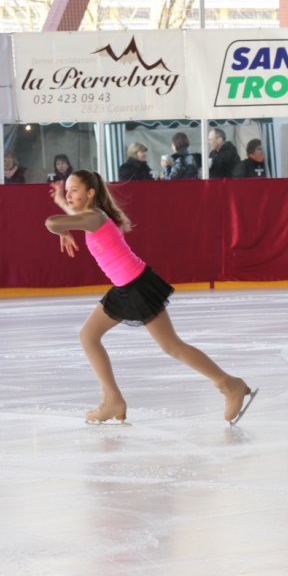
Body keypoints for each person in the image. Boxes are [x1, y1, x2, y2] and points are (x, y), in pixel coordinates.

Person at [44, 170, 257, 425]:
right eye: (67, 191)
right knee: (88, 335)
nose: (69, 195)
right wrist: (62, 203)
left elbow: (52, 223)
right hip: (125, 286)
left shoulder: (94, 217)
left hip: (137, 286)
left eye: (74, 190)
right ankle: (112, 399)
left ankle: (229, 384)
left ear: (90, 193)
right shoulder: (92, 216)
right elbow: (69, 219)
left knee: (172, 346)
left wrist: (62, 229)